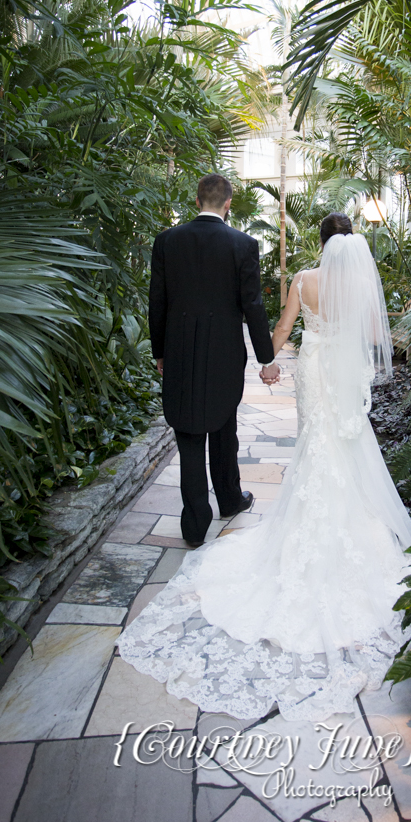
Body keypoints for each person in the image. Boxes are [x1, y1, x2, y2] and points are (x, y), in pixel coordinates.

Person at [117, 211, 411, 722]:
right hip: (342, 373)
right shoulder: (360, 284)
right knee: (346, 445)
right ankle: (354, 525)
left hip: (315, 371)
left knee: (314, 442)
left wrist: (267, 359)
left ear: (322, 245)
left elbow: (282, 326)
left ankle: (282, 524)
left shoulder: (304, 279)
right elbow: (371, 333)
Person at [148, 172, 280, 547]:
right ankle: (229, 499)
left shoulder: (167, 241)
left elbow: (157, 301)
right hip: (224, 352)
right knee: (224, 425)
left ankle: (194, 525)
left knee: (189, 433)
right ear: (228, 204)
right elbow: (252, 307)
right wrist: (265, 358)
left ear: (196, 201)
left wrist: (160, 351)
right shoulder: (243, 243)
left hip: (180, 350)